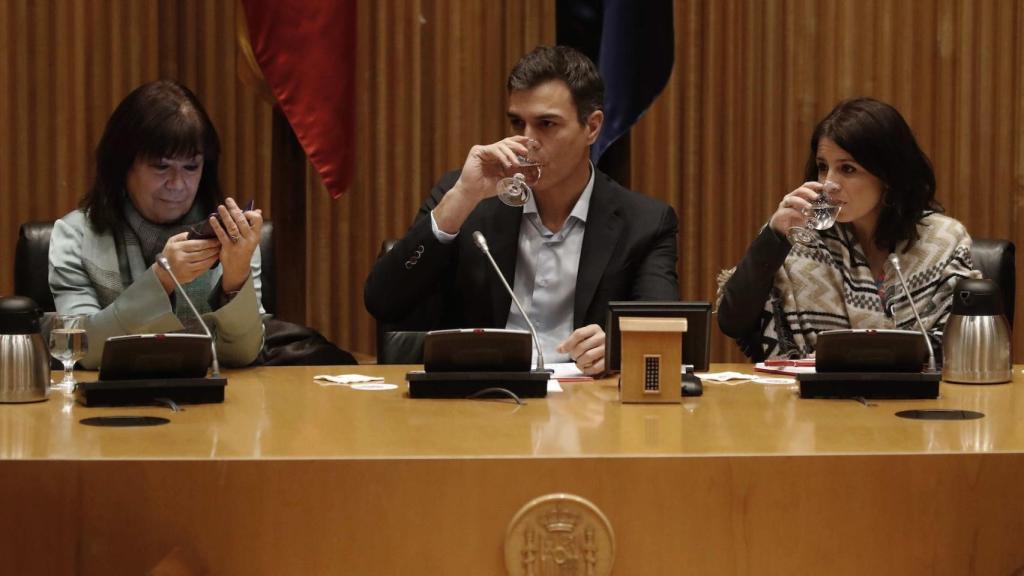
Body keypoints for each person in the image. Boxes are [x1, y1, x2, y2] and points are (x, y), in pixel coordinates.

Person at [364, 46, 679, 375]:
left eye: (546, 124)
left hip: (587, 407)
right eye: (517, 123)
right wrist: (459, 201)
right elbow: (383, 302)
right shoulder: (467, 197)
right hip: (481, 400)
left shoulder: (644, 223)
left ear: (593, 127)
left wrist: (618, 345)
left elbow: (666, 332)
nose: (526, 142)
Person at [717, 97, 980, 361]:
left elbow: (959, 344)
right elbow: (732, 322)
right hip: (811, 397)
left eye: (848, 169)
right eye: (823, 167)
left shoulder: (943, 239)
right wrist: (773, 236)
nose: (829, 183)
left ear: (888, 176)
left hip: (917, 396)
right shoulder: (800, 235)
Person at [49, 80, 265, 369]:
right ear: (123, 166)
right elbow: (81, 352)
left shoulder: (233, 236)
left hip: (215, 404)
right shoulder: (75, 236)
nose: (178, 185)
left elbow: (244, 355)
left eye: (191, 167)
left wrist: (236, 282)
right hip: (112, 406)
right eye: (161, 167)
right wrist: (161, 281)